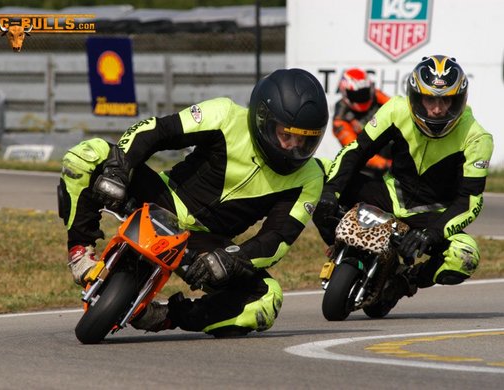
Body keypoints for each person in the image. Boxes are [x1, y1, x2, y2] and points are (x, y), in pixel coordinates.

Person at [58, 68, 330, 337]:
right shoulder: (224, 115)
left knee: (267, 299)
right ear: (263, 119)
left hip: (204, 245)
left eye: (305, 141)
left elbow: (278, 238)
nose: (292, 148)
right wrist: (118, 169)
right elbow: (156, 131)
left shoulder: (310, 178)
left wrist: (232, 259)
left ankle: (164, 317)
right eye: (286, 135)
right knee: (88, 155)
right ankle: (80, 252)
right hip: (161, 199)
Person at [312, 55, 493, 311]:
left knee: (464, 255)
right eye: (430, 99)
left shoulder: (477, 138)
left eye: (446, 100)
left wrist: (431, 234)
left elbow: (470, 201)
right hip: (389, 192)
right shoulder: (397, 110)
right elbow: (356, 151)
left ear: (459, 99)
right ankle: (336, 244)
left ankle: (405, 281)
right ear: (416, 97)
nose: (438, 109)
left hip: (430, 212)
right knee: (317, 176)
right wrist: (331, 191)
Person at [333, 67, 391, 178]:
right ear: (345, 93)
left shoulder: (376, 95)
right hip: (365, 167)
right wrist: (386, 164)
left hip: (390, 152)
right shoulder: (340, 118)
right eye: (357, 95)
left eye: (364, 93)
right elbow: (357, 150)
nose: (362, 98)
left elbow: (397, 108)